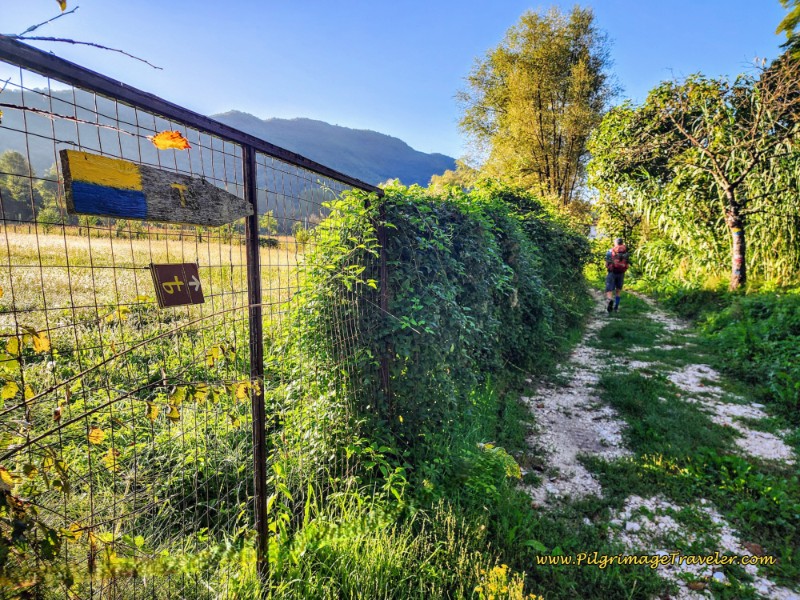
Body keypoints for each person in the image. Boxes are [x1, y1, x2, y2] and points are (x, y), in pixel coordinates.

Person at [605, 238, 629, 313]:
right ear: (622, 243)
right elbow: (627, 264)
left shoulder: (610, 251)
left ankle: (610, 300)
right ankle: (616, 307)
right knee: (618, 290)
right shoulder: (626, 252)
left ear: (615, 243)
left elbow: (606, 264)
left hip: (612, 272)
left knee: (609, 290)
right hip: (621, 273)